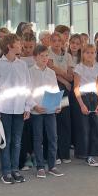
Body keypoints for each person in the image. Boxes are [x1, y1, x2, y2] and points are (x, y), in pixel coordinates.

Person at [0, 33, 32, 184]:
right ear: (9, 46)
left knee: (17, 141)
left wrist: (27, 106)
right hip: (4, 109)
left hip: (20, 108)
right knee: (6, 142)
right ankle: (6, 171)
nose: (21, 45)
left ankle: (15, 169)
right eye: (18, 43)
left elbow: (27, 86)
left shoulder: (22, 64)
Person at [29, 45, 64, 178]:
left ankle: (52, 165)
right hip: (37, 110)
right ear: (35, 57)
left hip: (50, 110)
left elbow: (55, 90)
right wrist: (34, 106)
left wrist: (58, 104)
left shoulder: (51, 72)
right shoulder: (30, 72)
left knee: (53, 137)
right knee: (38, 138)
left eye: (46, 56)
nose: (44, 58)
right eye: (41, 56)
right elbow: (28, 92)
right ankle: (40, 167)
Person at [48, 32, 73, 164]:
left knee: (64, 120)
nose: (57, 43)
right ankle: (54, 154)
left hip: (63, 91)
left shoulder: (68, 56)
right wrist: (65, 79)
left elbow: (71, 76)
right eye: (54, 40)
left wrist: (63, 76)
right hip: (53, 88)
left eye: (60, 41)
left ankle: (64, 153)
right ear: (50, 42)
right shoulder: (48, 54)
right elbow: (51, 71)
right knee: (53, 121)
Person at [19, 32, 36, 170]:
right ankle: (25, 157)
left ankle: (34, 154)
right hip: (24, 98)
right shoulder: (19, 59)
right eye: (25, 46)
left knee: (35, 130)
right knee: (25, 130)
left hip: (36, 97)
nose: (28, 49)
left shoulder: (37, 58)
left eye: (31, 47)